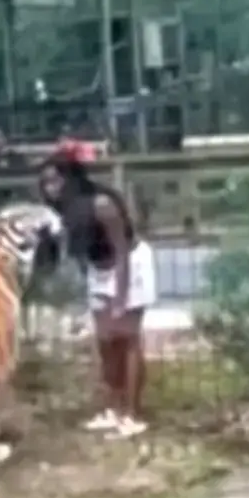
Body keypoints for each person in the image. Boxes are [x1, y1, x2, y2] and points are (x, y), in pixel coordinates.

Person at [38, 145, 157, 436]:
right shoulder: (63, 212)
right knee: (105, 342)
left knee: (127, 339)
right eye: (45, 182)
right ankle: (112, 409)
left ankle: (131, 414)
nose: (49, 188)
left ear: (72, 178)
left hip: (128, 265)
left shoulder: (102, 204)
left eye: (55, 180)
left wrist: (119, 297)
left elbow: (121, 251)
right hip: (99, 269)